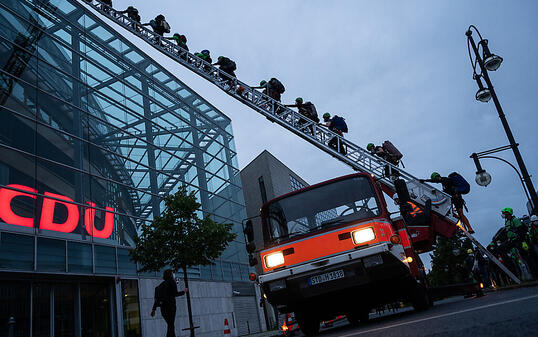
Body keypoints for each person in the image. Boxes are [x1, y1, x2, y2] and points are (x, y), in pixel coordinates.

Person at [151, 269, 189, 337]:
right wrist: (184, 291)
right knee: (171, 325)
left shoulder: (160, 286)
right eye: (172, 273)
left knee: (170, 325)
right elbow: (175, 294)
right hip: (170, 307)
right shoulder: (172, 282)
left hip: (163, 309)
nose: (173, 275)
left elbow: (157, 299)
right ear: (171, 275)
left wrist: (153, 309)